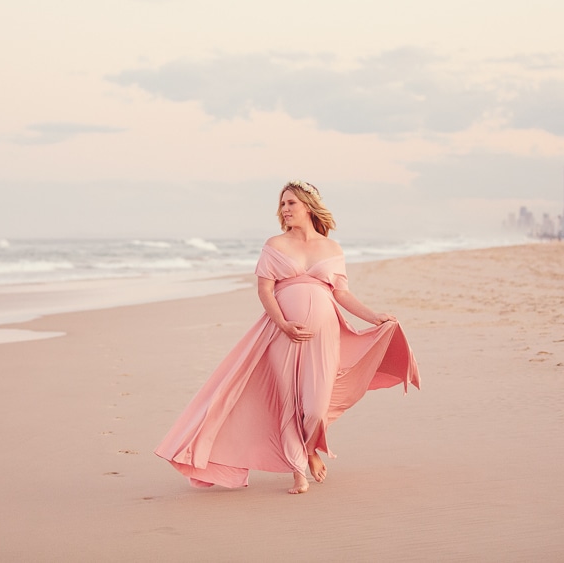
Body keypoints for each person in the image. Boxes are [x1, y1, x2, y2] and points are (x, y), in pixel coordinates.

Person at [155, 180, 420, 494]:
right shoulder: (275, 244)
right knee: (288, 404)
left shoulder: (331, 248)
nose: (285, 210)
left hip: (324, 336)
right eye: (282, 205)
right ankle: (298, 471)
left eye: (291, 203)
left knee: (316, 407)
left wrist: (374, 316)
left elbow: (343, 294)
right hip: (283, 334)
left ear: (308, 205)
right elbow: (264, 290)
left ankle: (309, 450)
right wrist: (282, 323)